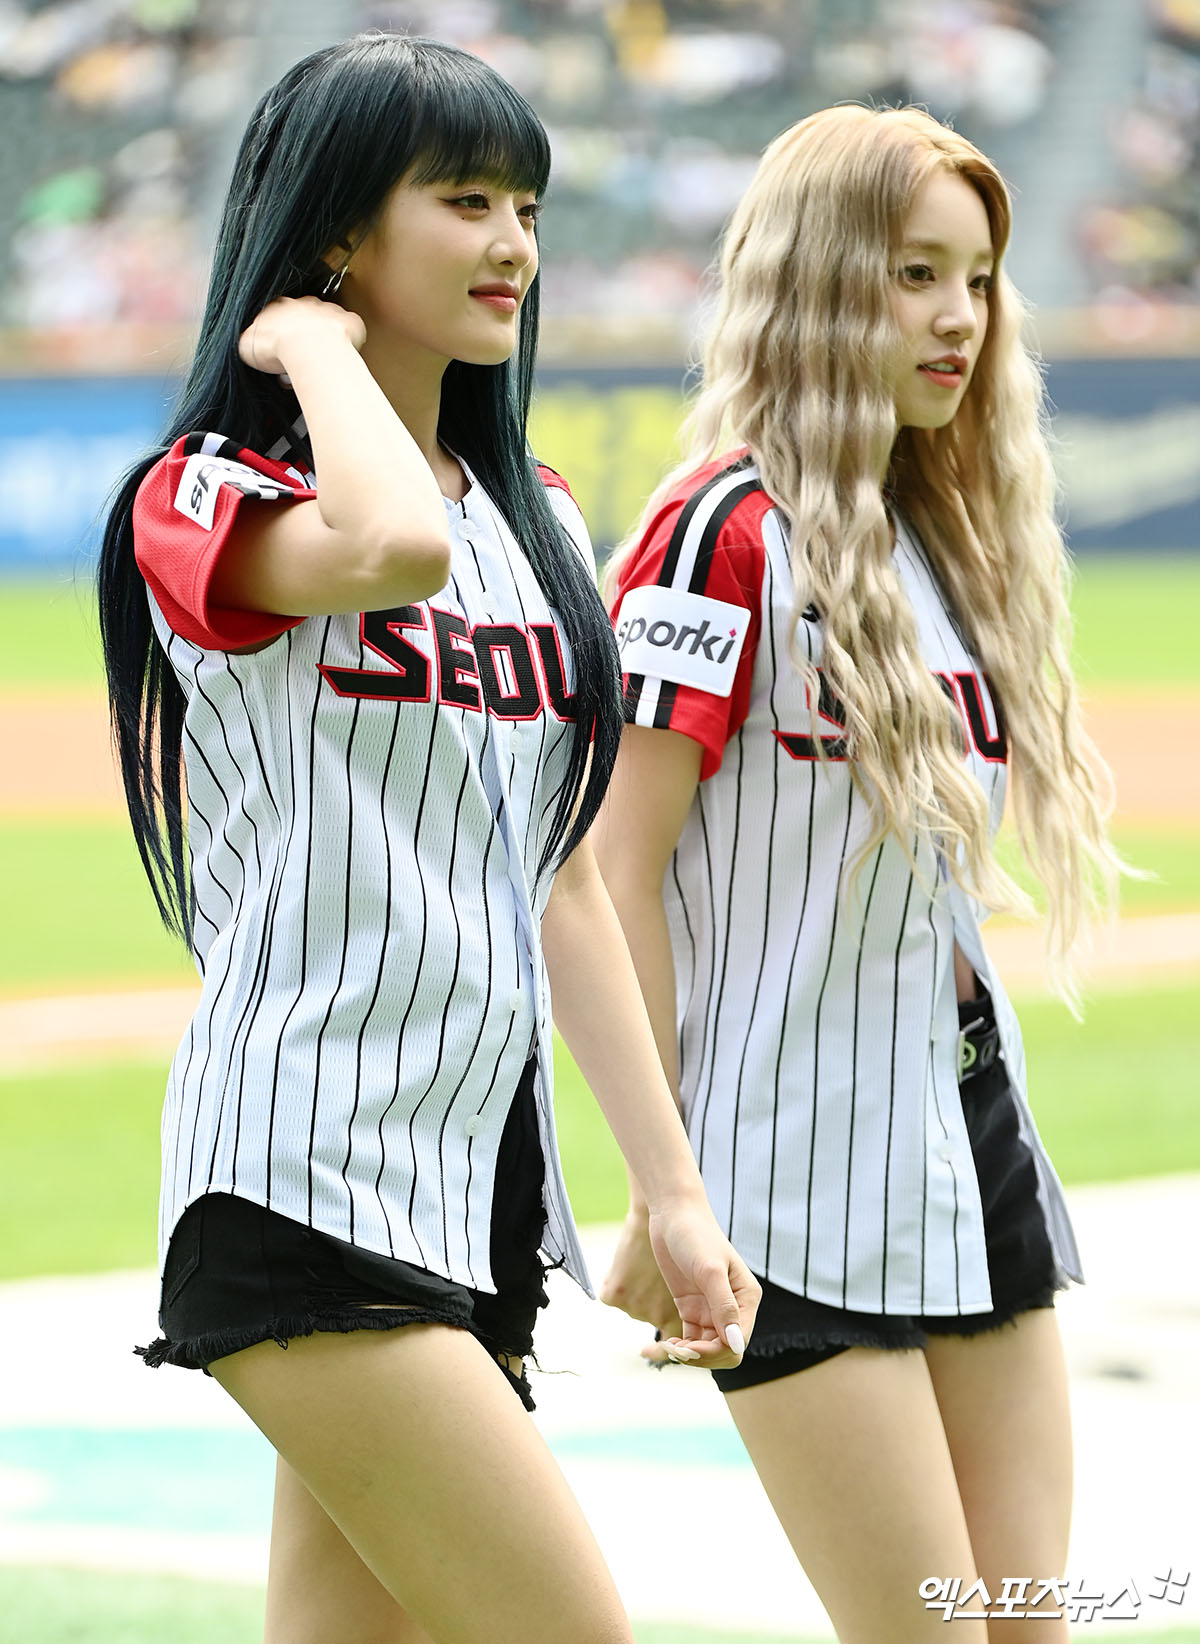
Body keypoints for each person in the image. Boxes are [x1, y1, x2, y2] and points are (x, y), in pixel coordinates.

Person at [96, 34, 758, 1644]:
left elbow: (569, 879)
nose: (515, 242)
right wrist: (306, 349)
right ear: (336, 233)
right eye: (465, 201)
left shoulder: (541, 522)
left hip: (468, 1199)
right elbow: (388, 543)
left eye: (527, 204)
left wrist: (672, 1191)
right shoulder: (204, 493)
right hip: (299, 1175)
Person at [596, 104, 1125, 1642]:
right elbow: (612, 877)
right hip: (788, 1183)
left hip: (976, 1150)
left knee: (1028, 1626)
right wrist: (665, 1186)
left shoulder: (944, 535)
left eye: (979, 280)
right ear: (819, 278)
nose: (960, 316)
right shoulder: (714, 533)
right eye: (915, 273)